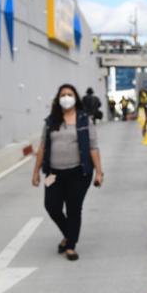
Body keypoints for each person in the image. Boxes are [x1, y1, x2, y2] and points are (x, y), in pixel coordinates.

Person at [32, 84, 104, 262]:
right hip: (53, 173)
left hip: (79, 173)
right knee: (52, 206)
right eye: (63, 95)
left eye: (69, 94)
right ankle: (69, 234)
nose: (66, 97)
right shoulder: (51, 121)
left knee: (73, 209)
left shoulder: (84, 120)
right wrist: (35, 172)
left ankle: (70, 246)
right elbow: (42, 146)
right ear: (58, 99)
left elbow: (93, 148)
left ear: (76, 98)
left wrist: (99, 172)